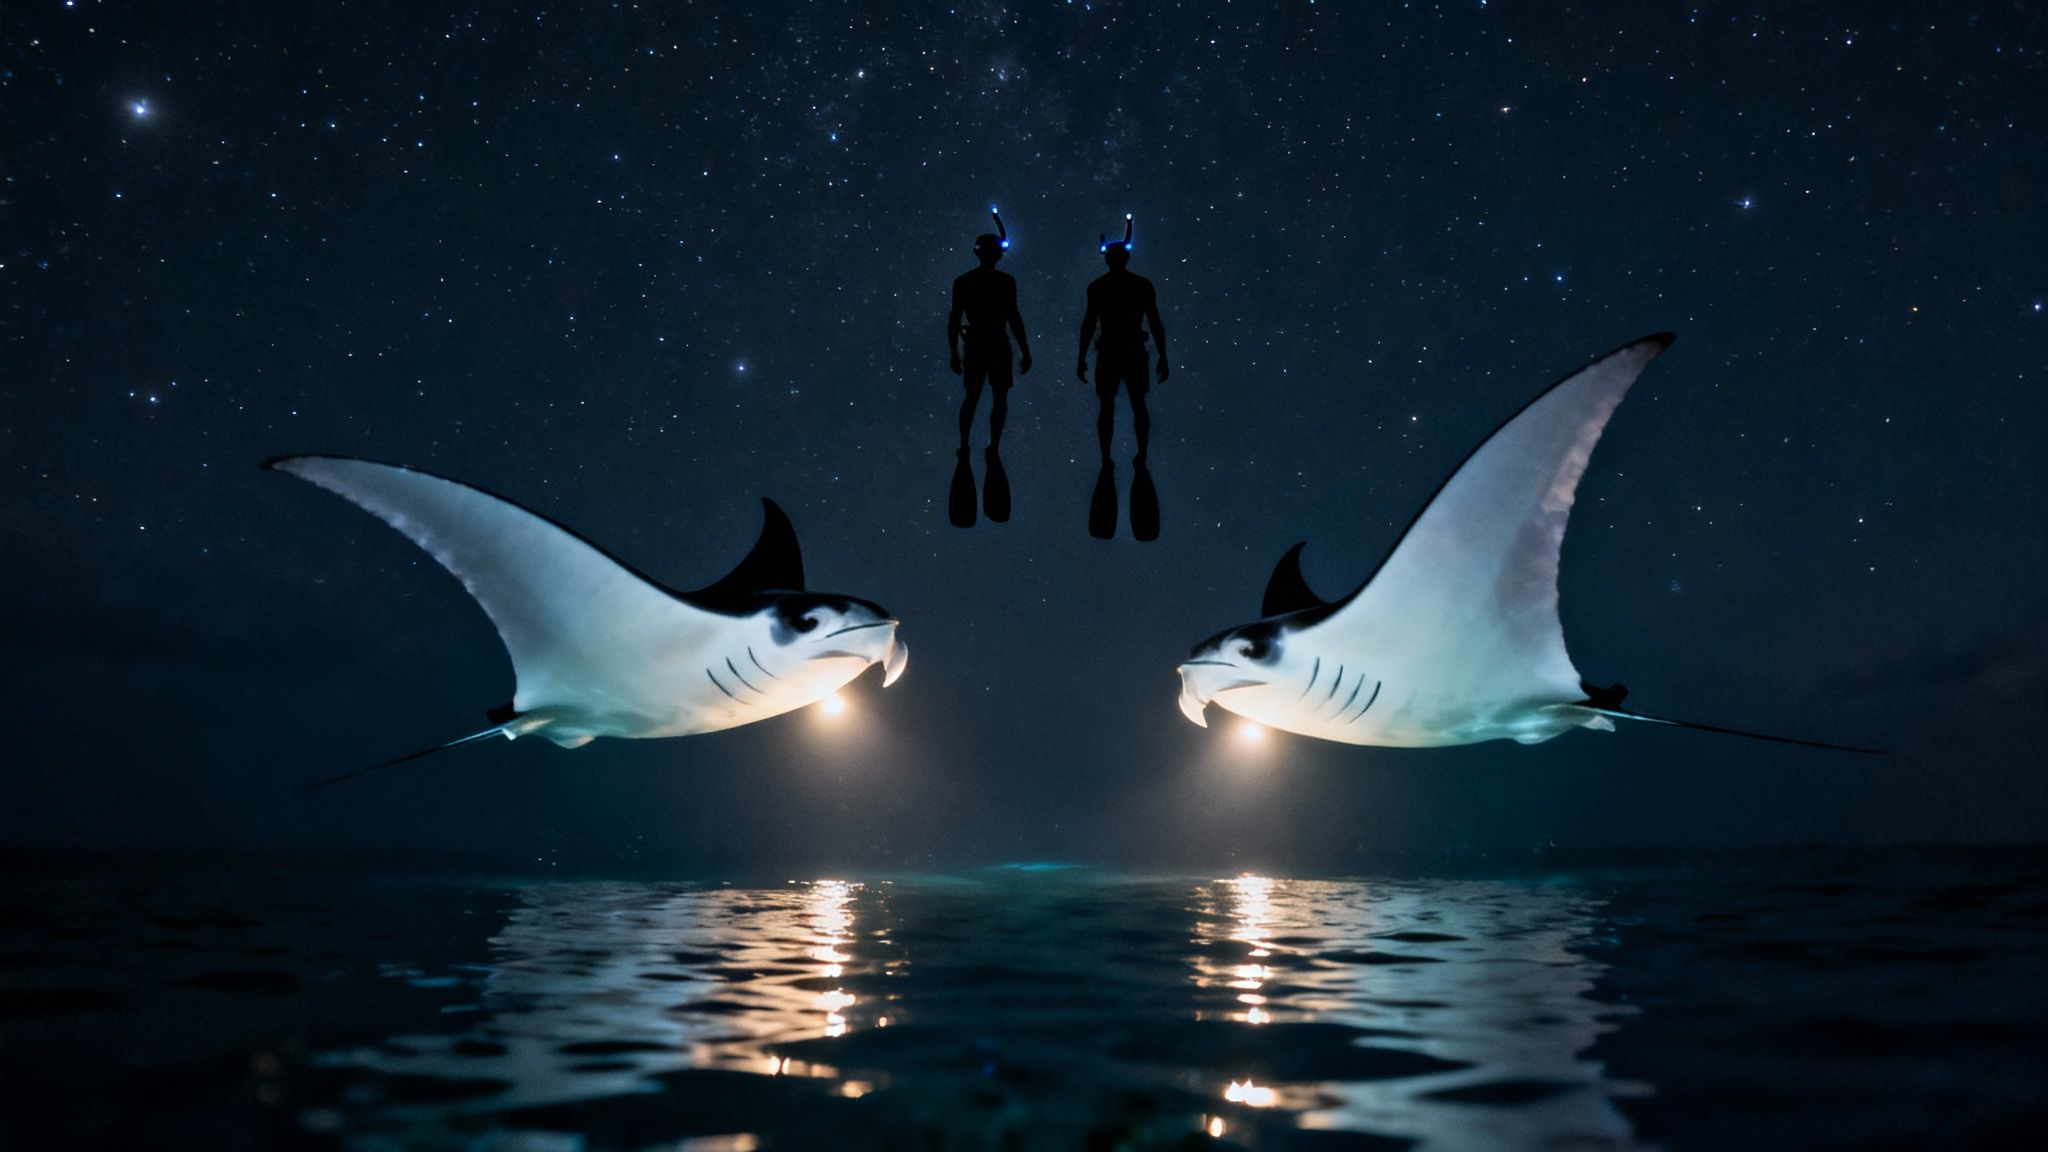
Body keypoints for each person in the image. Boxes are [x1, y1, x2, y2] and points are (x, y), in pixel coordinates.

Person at [1076, 218, 1168, 465]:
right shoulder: (1140, 285)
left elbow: (1088, 325)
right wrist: (1162, 356)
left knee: (1111, 406)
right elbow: (1155, 322)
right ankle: (1138, 454)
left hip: (1112, 352)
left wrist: (1081, 358)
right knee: (1135, 404)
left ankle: (1109, 456)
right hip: (1131, 350)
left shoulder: (1098, 287)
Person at [947, 221, 1032, 457]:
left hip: (980, 342)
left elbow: (955, 319)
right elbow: (1013, 316)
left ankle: (973, 445)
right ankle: (988, 446)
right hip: (992, 341)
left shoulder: (965, 281)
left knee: (978, 395)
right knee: (993, 396)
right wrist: (1025, 349)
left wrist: (954, 351)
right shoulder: (1003, 281)